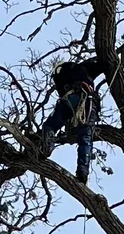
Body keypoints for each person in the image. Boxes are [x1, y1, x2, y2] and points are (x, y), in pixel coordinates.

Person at [35, 54, 111, 184]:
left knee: (50, 125)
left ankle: (48, 143)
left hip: (71, 99)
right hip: (88, 102)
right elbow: (102, 66)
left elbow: (61, 94)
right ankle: (83, 172)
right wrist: (110, 62)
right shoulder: (83, 68)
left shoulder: (60, 75)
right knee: (85, 138)